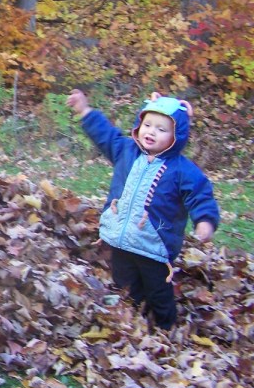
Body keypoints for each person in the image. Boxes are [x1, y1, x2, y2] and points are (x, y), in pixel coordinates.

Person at [66, 89, 220, 330]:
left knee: (158, 290)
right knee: (126, 285)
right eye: (148, 125)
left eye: (161, 129)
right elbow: (105, 136)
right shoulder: (127, 151)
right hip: (121, 238)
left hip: (154, 245)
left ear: (176, 135)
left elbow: (200, 195)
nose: (152, 132)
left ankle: (165, 328)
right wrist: (85, 111)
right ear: (139, 125)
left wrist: (205, 222)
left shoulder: (181, 169)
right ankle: (133, 322)